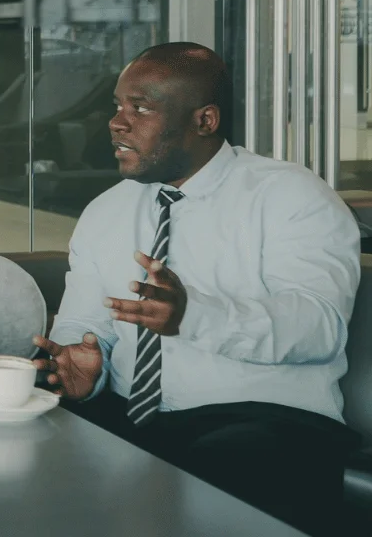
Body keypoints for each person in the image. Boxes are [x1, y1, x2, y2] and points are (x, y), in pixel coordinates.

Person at [33, 42, 359, 536]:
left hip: (269, 423)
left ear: (205, 120)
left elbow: (319, 328)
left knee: (205, 482)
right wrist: (83, 364)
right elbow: (84, 323)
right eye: (118, 107)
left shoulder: (292, 195)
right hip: (132, 416)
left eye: (140, 108)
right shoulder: (106, 210)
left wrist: (192, 317)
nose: (117, 123)